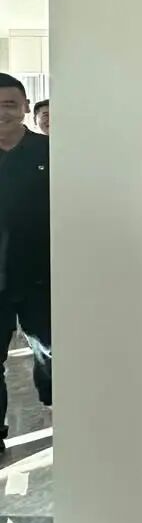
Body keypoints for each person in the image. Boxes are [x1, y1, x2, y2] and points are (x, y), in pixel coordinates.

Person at [0, 73, 51, 451]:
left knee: (53, 353)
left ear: (24, 107)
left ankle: (60, 414)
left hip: (42, 275)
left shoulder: (50, 152)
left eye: (10, 104)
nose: (3, 112)